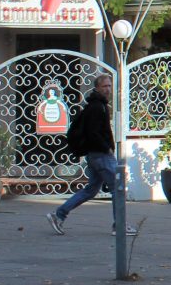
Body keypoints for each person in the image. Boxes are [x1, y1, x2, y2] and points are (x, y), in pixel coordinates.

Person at [48, 75, 122, 235]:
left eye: (109, 86)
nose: (108, 89)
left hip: (95, 154)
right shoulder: (97, 107)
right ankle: (119, 225)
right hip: (101, 155)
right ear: (97, 88)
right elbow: (93, 133)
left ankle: (59, 214)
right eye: (104, 86)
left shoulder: (98, 105)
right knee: (118, 187)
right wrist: (107, 148)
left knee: (91, 190)